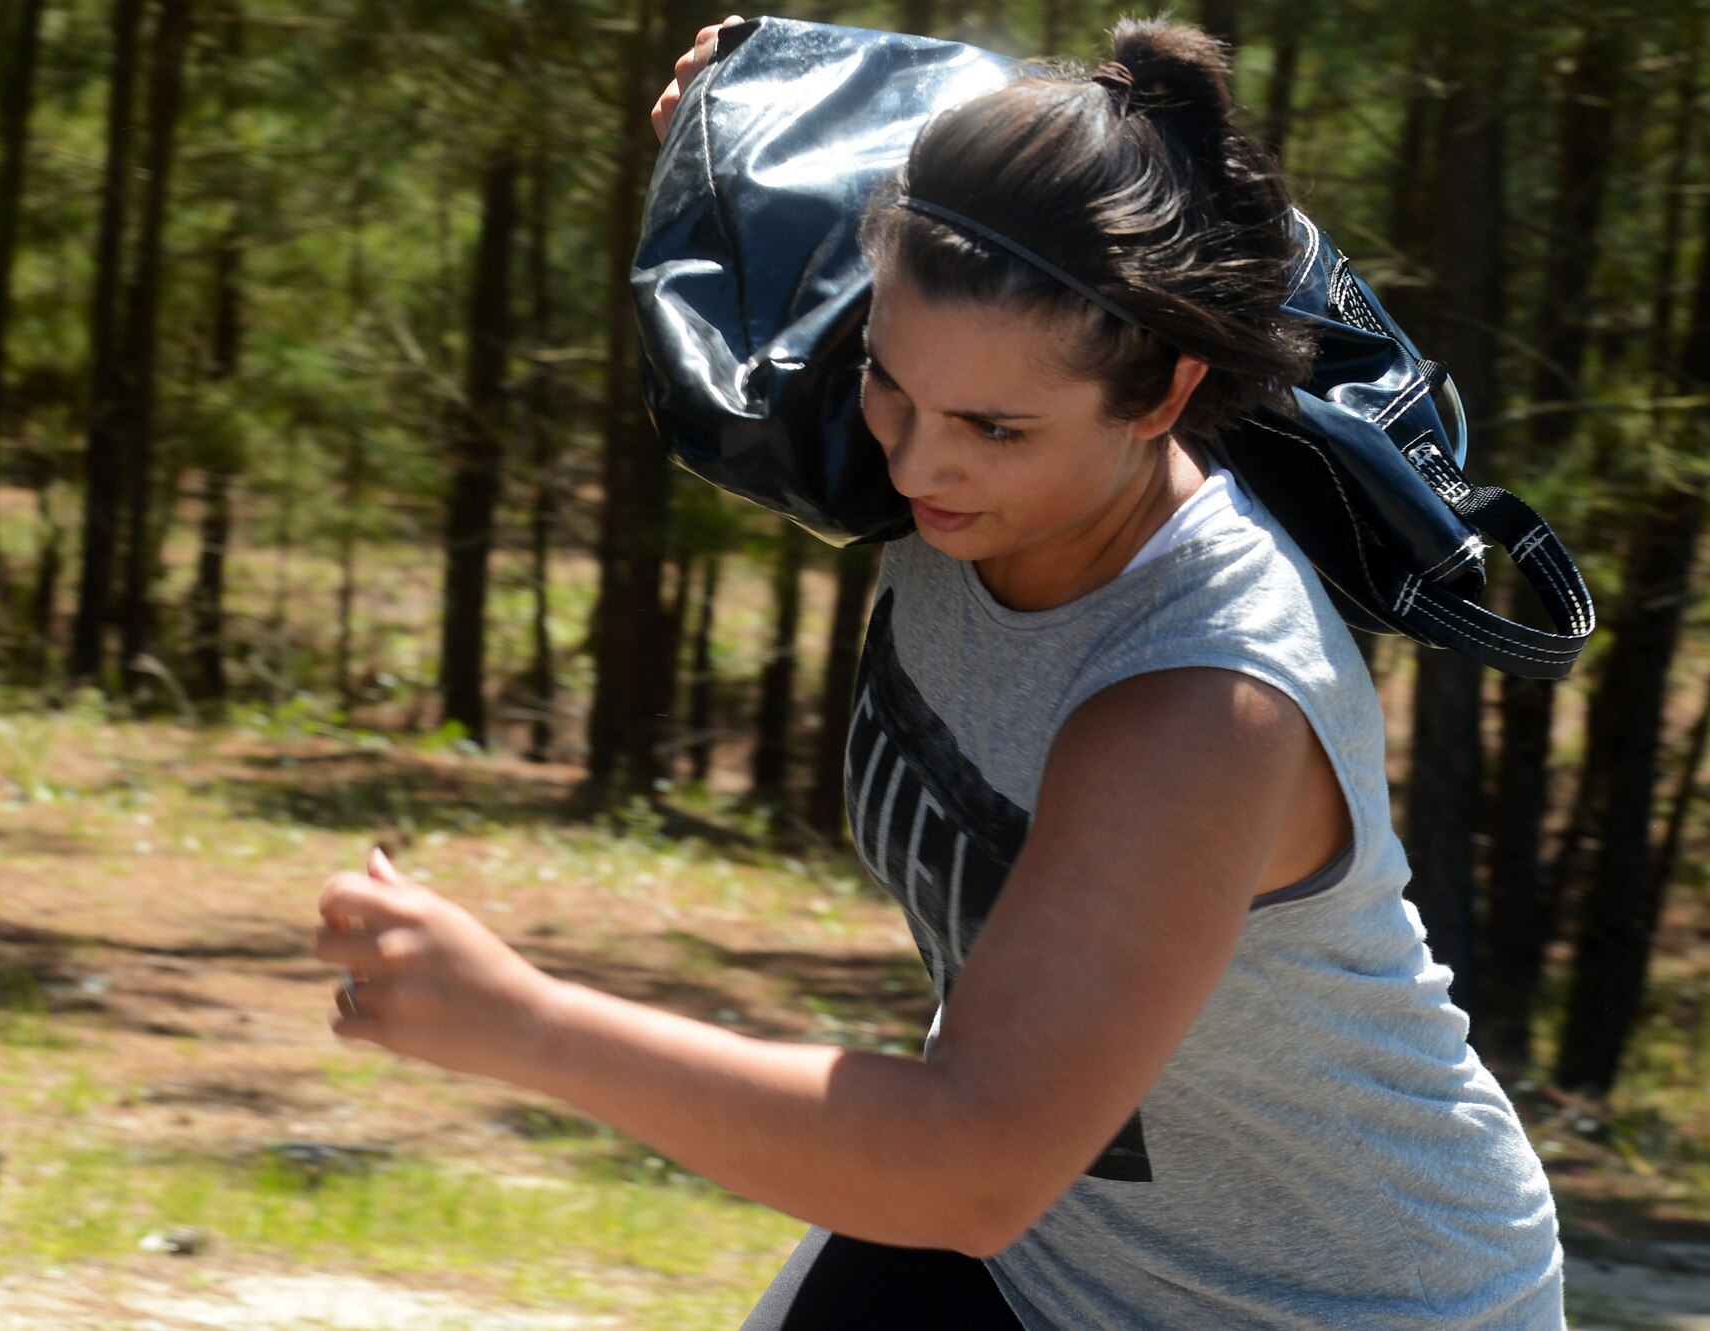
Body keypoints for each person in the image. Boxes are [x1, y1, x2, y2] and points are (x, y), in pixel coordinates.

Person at [315, 16, 1565, 1329]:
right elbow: (832, 194)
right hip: (1050, 1251)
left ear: (1160, 395)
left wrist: (525, 1021)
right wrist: (738, 110)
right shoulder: (950, 431)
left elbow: (968, 1166)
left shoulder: (1199, 705)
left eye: (995, 429)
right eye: (891, 386)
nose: (917, 469)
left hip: (1337, 1303)